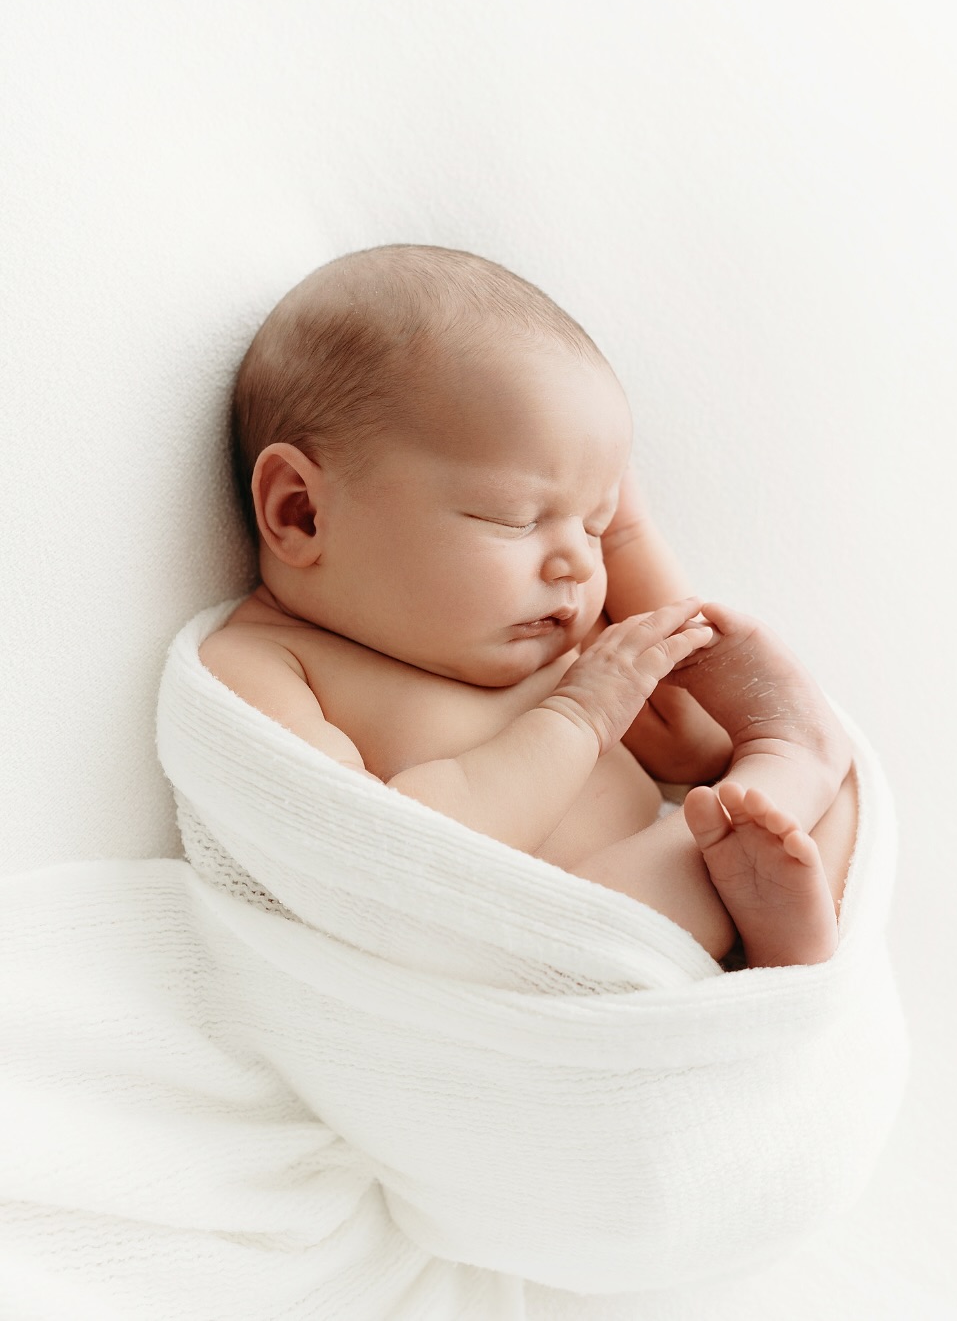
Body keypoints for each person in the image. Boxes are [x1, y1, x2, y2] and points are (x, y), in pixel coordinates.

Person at [200, 244, 858, 968]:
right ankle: (796, 764)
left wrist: (630, 542)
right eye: (518, 518)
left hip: (697, 897)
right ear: (302, 514)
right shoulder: (264, 663)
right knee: (687, 861)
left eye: (598, 525)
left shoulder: (550, 643)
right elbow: (377, 861)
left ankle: (784, 917)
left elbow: (696, 741)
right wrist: (575, 719)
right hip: (539, 958)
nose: (578, 562)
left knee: (821, 804)